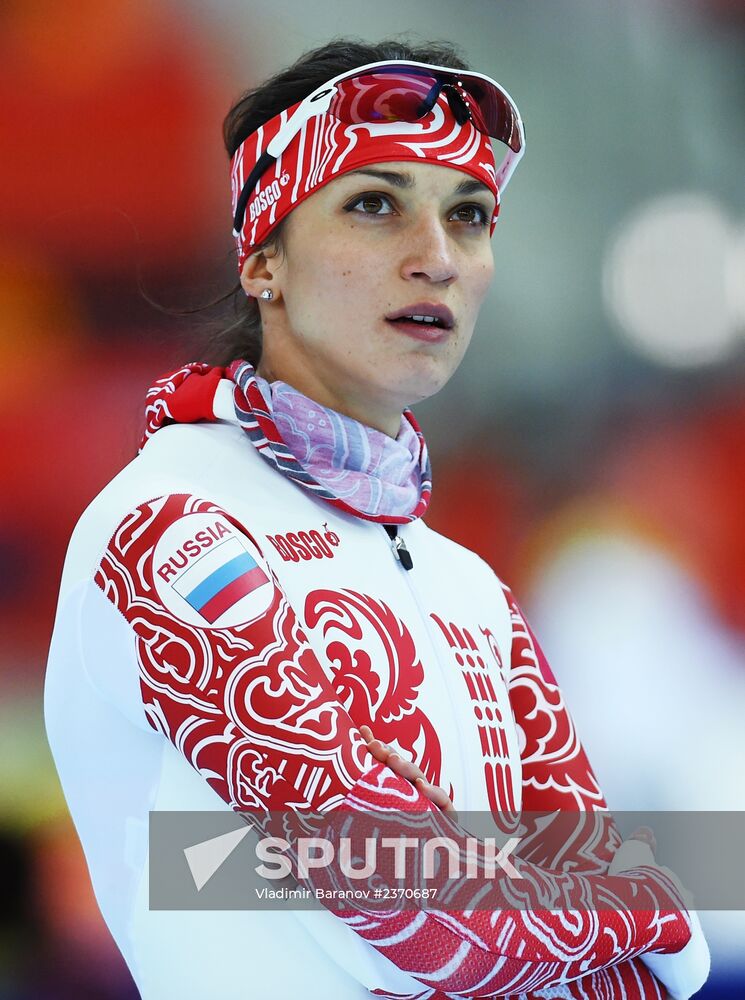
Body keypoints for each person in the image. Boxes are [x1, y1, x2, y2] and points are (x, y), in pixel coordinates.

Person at [44, 38, 710, 1000]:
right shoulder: (167, 527)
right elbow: (432, 924)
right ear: (263, 257)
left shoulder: (467, 585)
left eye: (469, 216)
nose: (436, 258)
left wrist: (499, 880)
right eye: (373, 204)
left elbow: (633, 981)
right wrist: (632, 900)